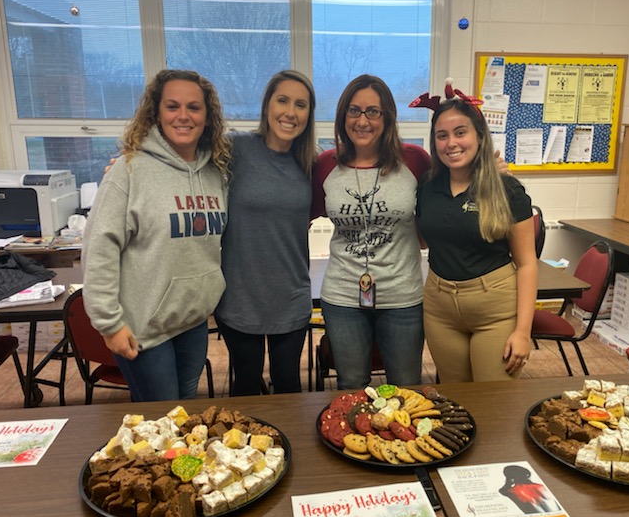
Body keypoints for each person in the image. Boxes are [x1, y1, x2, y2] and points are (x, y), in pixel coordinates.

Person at [83, 69, 230, 401]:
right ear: (156, 112)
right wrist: (109, 324)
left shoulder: (215, 174)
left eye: (194, 107)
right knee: (161, 419)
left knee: (186, 409)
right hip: (144, 327)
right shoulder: (129, 171)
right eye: (172, 106)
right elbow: (99, 250)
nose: (183, 116)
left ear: (207, 117)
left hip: (191, 320)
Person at [411, 80, 537, 382]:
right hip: (440, 307)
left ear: (479, 136)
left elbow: (527, 264)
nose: (451, 143)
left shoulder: (506, 189)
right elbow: (423, 239)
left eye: (460, 132)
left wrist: (523, 331)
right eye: (442, 136)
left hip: (494, 307)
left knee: (494, 402)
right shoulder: (428, 186)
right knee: (457, 398)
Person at [311, 74, 431, 390]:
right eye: (354, 111)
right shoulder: (326, 165)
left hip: (403, 296)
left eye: (372, 112)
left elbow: (443, 206)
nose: (362, 121)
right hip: (342, 296)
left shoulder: (414, 161)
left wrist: (494, 170)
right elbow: (297, 219)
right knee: (351, 386)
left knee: (406, 387)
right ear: (342, 116)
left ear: (387, 117)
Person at [214, 70, 316, 395]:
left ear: (309, 114)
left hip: (291, 296)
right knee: (245, 386)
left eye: (300, 104)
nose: (290, 112)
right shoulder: (236, 149)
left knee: (288, 385)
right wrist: (129, 162)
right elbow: (184, 157)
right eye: (282, 100)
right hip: (240, 297)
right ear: (267, 105)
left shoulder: (312, 163)